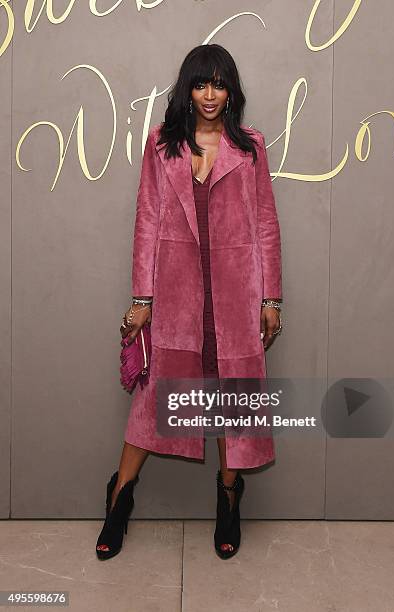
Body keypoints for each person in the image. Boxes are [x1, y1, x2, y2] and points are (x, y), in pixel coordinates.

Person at [96, 43, 283, 561]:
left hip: (235, 297)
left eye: (219, 84)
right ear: (187, 88)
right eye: (201, 84)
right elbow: (146, 224)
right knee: (156, 401)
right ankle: (119, 497)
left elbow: (266, 223)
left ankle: (228, 497)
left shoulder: (250, 148)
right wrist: (142, 298)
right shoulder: (161, 145)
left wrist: (272, 298)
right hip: (176, 295)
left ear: (231, 92)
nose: (209, 95)